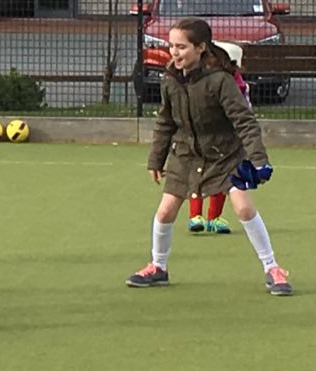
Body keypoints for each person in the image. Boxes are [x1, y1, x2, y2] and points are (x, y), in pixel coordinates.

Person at [125, 18, 293, 296]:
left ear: (201, 48)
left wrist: (259, 160)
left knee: (243, 208)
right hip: (185, 155)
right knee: (165, 211)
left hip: (226, 156)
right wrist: (156, 159)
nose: (174, 52)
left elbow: (244, 121)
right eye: (171, 46)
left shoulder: (220, 81)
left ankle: (272, 268)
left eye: (182, 47)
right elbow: (165, 122)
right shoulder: (170, 80)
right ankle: (157, 267)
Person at [186, 41, 252, 235]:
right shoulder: (207, 81)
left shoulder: (234, 84)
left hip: (223, 139)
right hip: (205, 136)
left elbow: (244, 111)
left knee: (219, 177)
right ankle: (198, 216)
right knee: (203, 175)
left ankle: (211, 217)